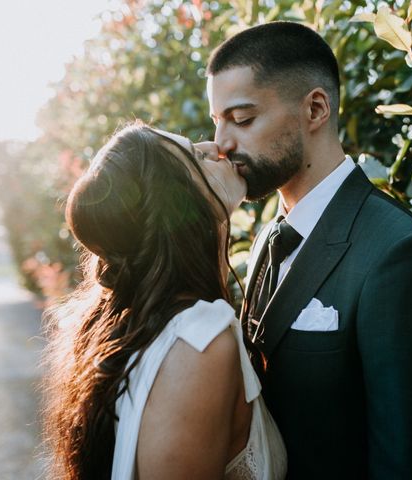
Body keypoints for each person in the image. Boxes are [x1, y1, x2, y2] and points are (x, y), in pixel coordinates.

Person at [205, 22, 412, 478]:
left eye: (242, 119)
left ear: (316, 108)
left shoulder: (402, 258)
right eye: (218, 122)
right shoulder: (271, 237)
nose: (224, 143)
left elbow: (409, 465)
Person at [41, 123, 287, 480]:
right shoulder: (199, 342)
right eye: (195, 156)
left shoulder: (140, 325)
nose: (215, 146)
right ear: (178, 201)